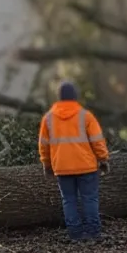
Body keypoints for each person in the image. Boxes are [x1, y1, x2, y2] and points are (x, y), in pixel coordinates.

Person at [39, 81, 109, 241]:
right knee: (89, 199)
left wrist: (46, 164)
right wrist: (103, 159)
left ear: (59, 97)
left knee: (68, 201)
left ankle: (75, 234)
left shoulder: (48, 118)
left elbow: (43, 145)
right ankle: (93, 233)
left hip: (62, 168)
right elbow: (97, 141)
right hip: (86, 166)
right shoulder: (86, 116)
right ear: (75, 97)